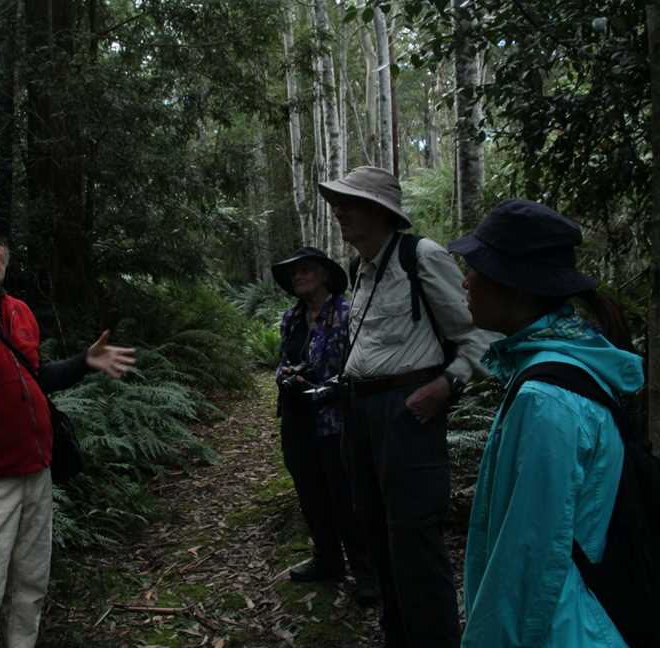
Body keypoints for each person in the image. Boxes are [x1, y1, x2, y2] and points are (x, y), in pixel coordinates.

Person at [0, 213, 135, 648]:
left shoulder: (18, 311)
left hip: (36, 470)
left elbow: (35, 376)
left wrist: (84, 363)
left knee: (31, 586)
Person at [447, 200, 643, 647]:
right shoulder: (571, 358)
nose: (465, 281)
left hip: (563, 628)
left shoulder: (545, 399)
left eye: (475, 267)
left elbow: (529, 558)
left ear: (514, 287)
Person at [318, 166, 494, 647]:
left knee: (414, 536)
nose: (338, 212)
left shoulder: (422, 256)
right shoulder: (359, 269)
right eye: (338, 203)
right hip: (361, 411)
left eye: (349, 203)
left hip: (408, 410)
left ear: (379, 211)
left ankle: (435, 638)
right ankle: (398, 632)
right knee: (374, 528)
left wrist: (447, 384)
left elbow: (478, 335)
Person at [272, 247, 376, 606]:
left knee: (345, 496)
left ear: (325, 275)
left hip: (336, 419)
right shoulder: (291, 317)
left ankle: (366, 573)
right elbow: (284, 359)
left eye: (305, 270)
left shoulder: (348, 313)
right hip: (296, 417)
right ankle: (328, 560)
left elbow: (362, 363)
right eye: (293, 273)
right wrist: (285, 376)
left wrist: (326, 385)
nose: (298, 277)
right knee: (310, 492)